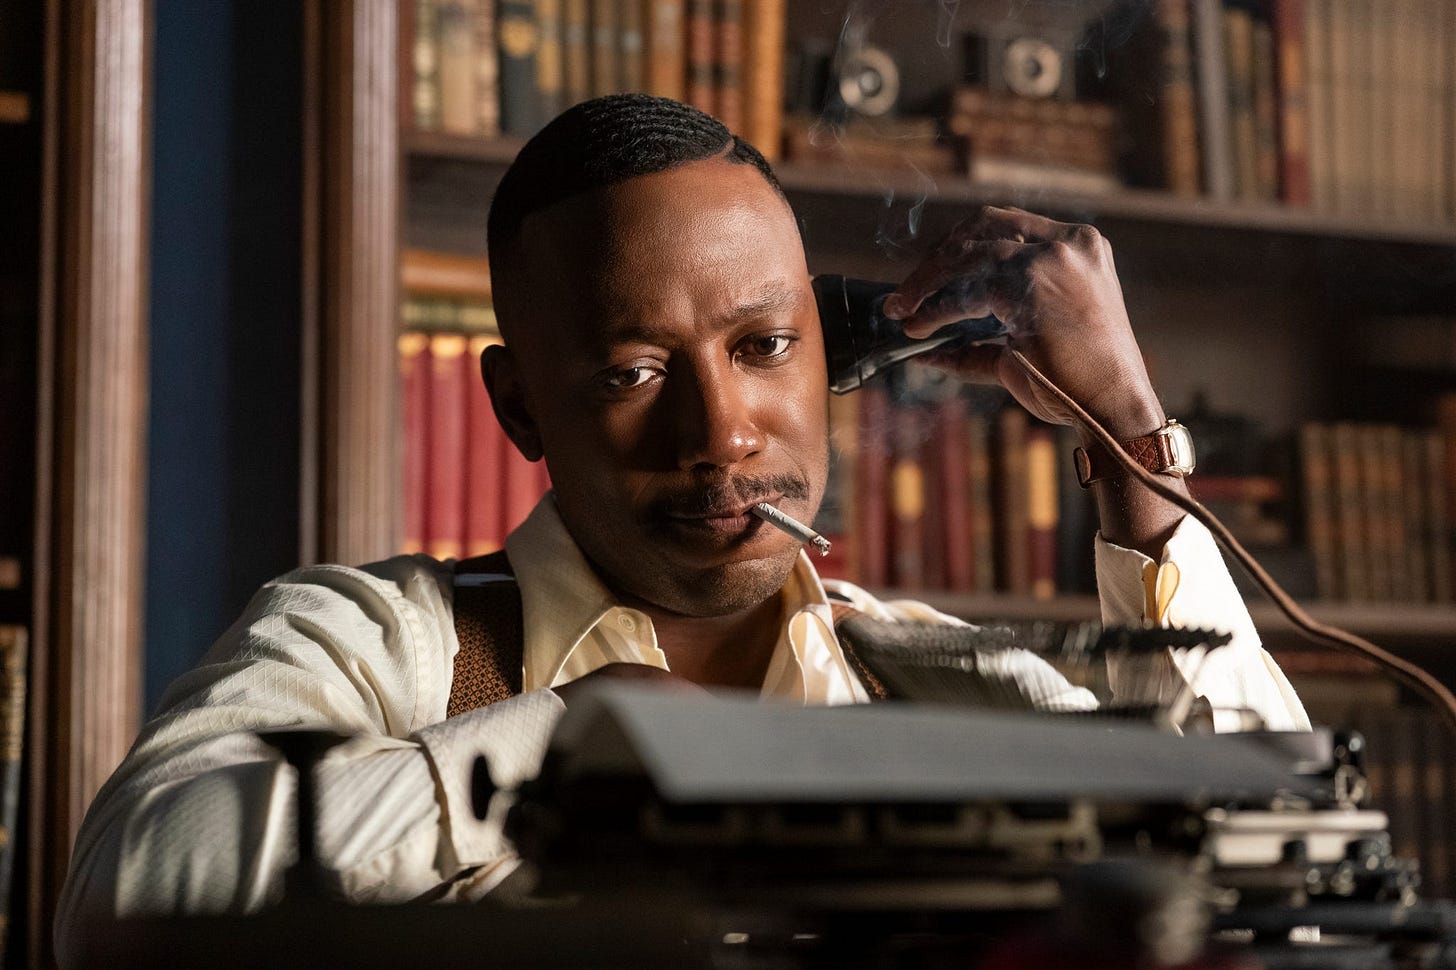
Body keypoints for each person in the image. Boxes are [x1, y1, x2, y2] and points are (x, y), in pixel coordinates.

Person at [55, 94, 1307, 963]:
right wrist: (604, 747)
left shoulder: (948, 682)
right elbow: (133, 891)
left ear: (834, 356)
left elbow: (1284, 886)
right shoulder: (377, 638)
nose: (721, 433)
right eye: (634, 371)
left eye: (764, 348)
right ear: (517, 404)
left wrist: (1126, 440)